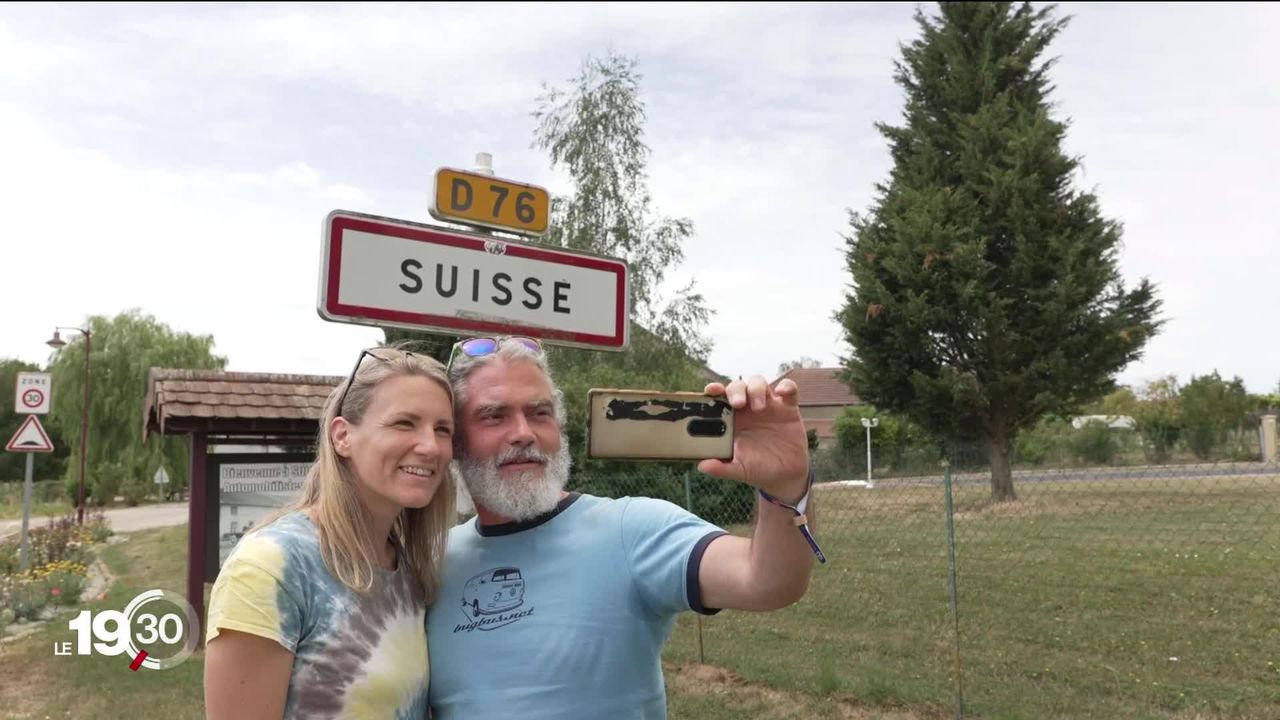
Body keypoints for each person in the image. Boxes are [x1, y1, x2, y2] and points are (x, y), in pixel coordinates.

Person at [427, 336, 822, 719]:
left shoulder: (629, 529)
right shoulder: (431, 563)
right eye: (494, 416)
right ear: (454, 441)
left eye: (539, 413)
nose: (524, 433)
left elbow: (767, 581)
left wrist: (784, 486)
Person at [204, 346, 457, 720]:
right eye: (405, 423)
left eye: (443, 430)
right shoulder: (272, 568)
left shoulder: (408, 570)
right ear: (342, 436)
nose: (430, 446)